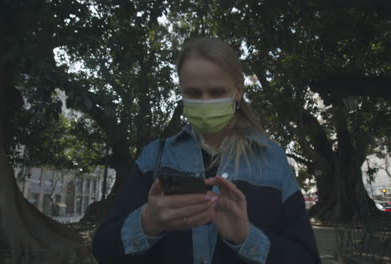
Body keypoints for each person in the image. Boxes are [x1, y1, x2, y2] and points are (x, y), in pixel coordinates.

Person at [92, 37, 321, 264]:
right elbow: (103, 248)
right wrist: (147, 223)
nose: (205, 102)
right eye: (193, 93)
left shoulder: (273, 160)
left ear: (237, 91)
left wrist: (246, 237)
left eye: (216, 92)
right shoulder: (154, 157)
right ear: (181, 92)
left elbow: (306, 257)